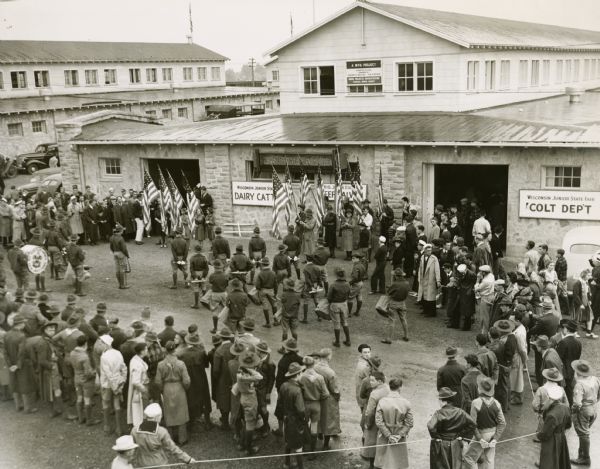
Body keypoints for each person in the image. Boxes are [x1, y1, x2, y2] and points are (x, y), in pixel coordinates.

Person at [427, 386, 476, 469]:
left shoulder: (439, 413)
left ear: (444, 402)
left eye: (439, 400)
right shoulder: (460, 412)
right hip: (455, 443)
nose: (439, 402)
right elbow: (472, 424)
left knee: (441, 466)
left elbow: (431, 426)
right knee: (455, 465)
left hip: (441, 444)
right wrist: (461, 434)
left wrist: (436, 437)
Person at [462, 376, 506, 469]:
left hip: (481, 434)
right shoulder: (497, 403)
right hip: (493, 433)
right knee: (489, 459)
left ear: (480, 390)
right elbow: (502, 423)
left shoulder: (475, 403)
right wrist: (495, 438)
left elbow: (472, 424)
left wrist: (479, 438)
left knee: (469, 458)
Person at [155, 340, 191, 445]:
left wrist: (162, 389)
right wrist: (185, 388)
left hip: (167, 388)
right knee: (181, 412)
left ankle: (169, 438)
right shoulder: (181, 363)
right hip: (179, 387)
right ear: (174, 349)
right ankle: (182, 438)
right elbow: (187, 380)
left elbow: (157, 381)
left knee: (168, 412)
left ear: (166, 350)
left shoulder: (161, 364)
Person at [374, 375, 413, 469]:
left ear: (390, 387)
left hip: (384, 435)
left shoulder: (382, 401)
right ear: (400, 388)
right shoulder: (406, 403)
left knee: (382, 462)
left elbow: (379, 422)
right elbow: (410, 423)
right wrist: (399, 435)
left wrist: (388, 435)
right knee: (398, 463)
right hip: (399, 435)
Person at [179, 332, 212, 430]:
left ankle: (191, 421)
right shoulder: (202, 351)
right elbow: (206, 365)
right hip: (201, 377)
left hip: (190, 378)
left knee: (191, 397)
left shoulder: (182, 354)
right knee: (204, 397)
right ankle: (207, 421)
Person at [535, 383, 572, 469]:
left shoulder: (551, 415)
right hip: (562, 437)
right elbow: (569, 424)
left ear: (550, 398)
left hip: (551, 441)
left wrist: (538, 435)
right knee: (560, 459)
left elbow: (545, 434)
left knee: (548, 461)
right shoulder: (565, 408)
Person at [570, 360, 599, 466]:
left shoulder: (579, 385)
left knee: (583, 434)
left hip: (583, 411)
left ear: (578, 373)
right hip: (593, 409)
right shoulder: (595, 379)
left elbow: (577, 403)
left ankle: (585, 458)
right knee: (585, 432)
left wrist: (573, 410)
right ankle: (581, 453)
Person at [299, 355, 330, 456]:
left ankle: (304, 448)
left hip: (304, 403)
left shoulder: (301, 377)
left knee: (303, 425)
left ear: (304, 365)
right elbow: (326, 394)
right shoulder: (319, 378)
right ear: (313, 364)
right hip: (316, 404)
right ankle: (312, 452)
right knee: (314, 427)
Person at [273, 338, 303, 436]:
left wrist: (279, 390)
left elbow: (279, 379)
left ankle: (280, 429)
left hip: (284, 388)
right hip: (296, 387)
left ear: (286, 348)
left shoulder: (283, 361)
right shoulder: (300, 359)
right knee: (295, 409)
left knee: (280, 409)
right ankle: (295, 430)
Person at [279, 362, 307, 469]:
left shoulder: (284, 385)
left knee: (288, 441)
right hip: (295, 421)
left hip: (287, 418)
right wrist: (304, 418)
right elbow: (301, 409)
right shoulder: (297, 390)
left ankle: (286, 463)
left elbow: (280, 401)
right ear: (298, 374)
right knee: (299, 446)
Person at [99, 334, 127, 436]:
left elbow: (108, 374)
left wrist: (114, 386)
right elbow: (124, 368)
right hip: (118, 382)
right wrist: (122, 381)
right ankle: (119, 428)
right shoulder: (118, 353)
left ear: (106, 344)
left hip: (107, 385)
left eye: (101, 343)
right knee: (117, 404)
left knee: (106, 404)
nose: (100, 345)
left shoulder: (104, 357)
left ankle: (107, 427)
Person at [70, 334, 101, 425]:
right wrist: (95, 372)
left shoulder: (72, 353)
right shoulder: (84, 357)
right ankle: (89, 420)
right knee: (87, 399)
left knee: (79, 398)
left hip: (77, 378)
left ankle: (80, 418)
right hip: (86, 381)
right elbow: (88, 373)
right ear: (85, 344)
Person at [361, 370, 390, 467]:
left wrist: (368, 424)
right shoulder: (387, 389)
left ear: (380, 382)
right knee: (382, 444)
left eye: (373, 381)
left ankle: (371, 466)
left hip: (374, 423)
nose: (370, 382)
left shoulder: (374, 394)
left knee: (371, 444)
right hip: (386, 421)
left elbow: (369, 412)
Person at [314, 348, 341, 449]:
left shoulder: (314, 367)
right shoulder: (330, 372)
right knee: (329, 420)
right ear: (328, 357)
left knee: (318, 417)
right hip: (328, 399)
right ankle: (326, 444)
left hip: (316, 396)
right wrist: (337, 397)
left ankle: (319, 434)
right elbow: (334, 389)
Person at [213, 327, 235, 429]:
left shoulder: (219, 351)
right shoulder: (234, 347)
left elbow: (216, 370)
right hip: (234, 377)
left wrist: (216, 379)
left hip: (222, 379)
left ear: (221, 338)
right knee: (233, 397)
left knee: (223, 399)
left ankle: (225, 422)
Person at [556, 319, 582, 405]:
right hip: (572, 370)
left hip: (563, 371)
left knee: (565, 391)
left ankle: (568, 408)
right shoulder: (578, 342)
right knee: (569, 390)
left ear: (566, 329)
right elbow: (577, 357)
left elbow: (558, 358)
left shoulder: (563, 342)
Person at [382, 268, 409, 343]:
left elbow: (389, 292)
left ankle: (389, 339)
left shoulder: (395, 284)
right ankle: (406, 336)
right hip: (403, 303)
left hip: (394, 303)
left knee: (391, 320)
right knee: (403, 319)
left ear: (396, 276)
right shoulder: (407, 283)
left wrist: (390, 287)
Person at [127, 342, 149, 428]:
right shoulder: (137, 364)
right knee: (141, 410)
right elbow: (135, 381)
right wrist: (144, 389)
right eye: (146, 349)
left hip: (141, 387)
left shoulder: (136, 359)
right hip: (140, 390)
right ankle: (142, 427)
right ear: (142, 351)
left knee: (140, 409)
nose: (147, 351)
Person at [328, 267, 351, 347]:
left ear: (336, 275)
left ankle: (337, 342)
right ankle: (348, 340)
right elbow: (349, 294)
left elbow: (329, 297)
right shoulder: (347, 284)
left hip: (335, 304)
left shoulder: (333, 285)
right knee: (345, 322)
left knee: (336, 323)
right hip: (344, 304)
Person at [510, 309, 529, 406]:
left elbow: (522, 349)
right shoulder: (521, 328)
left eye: (512, 321)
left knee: (517, 378)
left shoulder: (519, 333)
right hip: (516, 355)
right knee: (515, 377)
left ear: (518, 321)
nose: (511, 322)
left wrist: (524, 360)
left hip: (518, 356)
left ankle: (517, 398)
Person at [418, 244, 441, 317]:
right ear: (424, 250)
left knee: (431, 297)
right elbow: (420, 269)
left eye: (430, 250)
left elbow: (437, 270)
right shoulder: (422, 257)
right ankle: (425, 310)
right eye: (428, 250)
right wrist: (419, 277)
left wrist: (438, 280)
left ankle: (432, 312)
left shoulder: (434, 258)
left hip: (431, 280)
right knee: (424, 296)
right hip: (423, 279)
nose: (429, 252)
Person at [255, 257, 278, 328]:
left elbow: (257, 285)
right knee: (274, 305)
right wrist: (275, 293)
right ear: (268, 264)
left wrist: (259, 290)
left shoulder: (260, 273)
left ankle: (268, 323)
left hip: (263, 290)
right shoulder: (273, 273)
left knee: (265, 306)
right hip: (271, 290)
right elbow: (276, 284)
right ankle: (276, 321)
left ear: (262, 264)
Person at [279, 278, 300, 349]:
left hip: (285, 315)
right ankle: (295, 346)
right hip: (294, 315)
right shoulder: (297, 295)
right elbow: (298, 304)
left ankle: (283, 348)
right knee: (294, 331)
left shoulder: (284, 294)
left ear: (287, 286)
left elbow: (282, 301)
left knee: (285, 331)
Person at [109, 224, 130, 290]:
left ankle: (120, 284)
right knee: (122, 269)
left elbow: (111, 247)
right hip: (121, 253)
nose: (122, 232)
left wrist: (114, 252)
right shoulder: (121, 238)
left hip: (115, 253)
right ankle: (123, 285)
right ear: (120, 231)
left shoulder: (112, 237)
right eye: (122, 230)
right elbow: (124, 248)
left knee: (117, 269)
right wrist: (127, 255)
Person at [188, 244, 209, 308]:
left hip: (195, 273)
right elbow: (206, 268)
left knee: (196, 288)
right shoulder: (204, 258)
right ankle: (204, 303)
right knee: (204, 287)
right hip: (203, 273)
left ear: (195, 250)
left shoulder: (192, 258)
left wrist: (195, 277)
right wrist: (203, 276)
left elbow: (191, 269)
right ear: (201, 250)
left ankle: (196, 304)